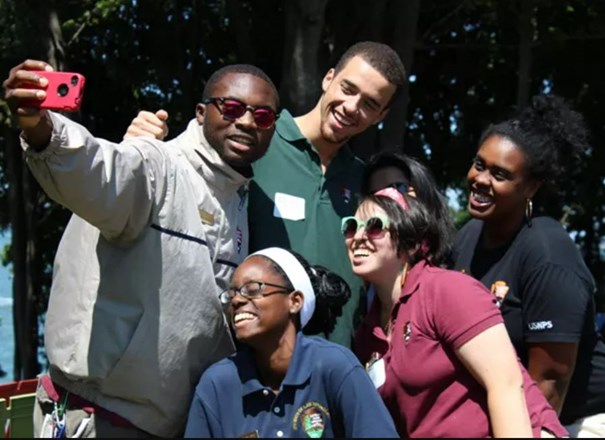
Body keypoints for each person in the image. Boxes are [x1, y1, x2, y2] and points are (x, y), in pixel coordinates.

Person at [3, 59, 280, 437]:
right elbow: (96, 169)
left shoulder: (238, 202)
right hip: (96, 418)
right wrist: (40, 126)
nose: (247, 122)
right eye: (231, 108)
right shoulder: (157, 166)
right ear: (201, 113)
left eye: (262, 116)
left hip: (169, 425)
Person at [126, 41, 407, 348]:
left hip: (332, 366)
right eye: (348, 88)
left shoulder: (364, 182)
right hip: (243, 358)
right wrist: (145, 145)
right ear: (329, 78)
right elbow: (187, 170)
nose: (352, 107)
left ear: (381, 115)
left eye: (369, 103)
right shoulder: (256, 141)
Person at [452, 94, 605, 437]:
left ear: (531, 187)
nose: (481, 179)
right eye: (479, 164)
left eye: (500, 174)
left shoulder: (548, 257)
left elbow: (549, 384)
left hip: (579, 420)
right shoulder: (468, 237)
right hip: (507, 406)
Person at [348, 188, 568, 437]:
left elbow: (505, 385)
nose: (358, 236)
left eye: (375, 226)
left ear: (409, 241)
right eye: (351, 227)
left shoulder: (447, 290)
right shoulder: (368, 334)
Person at [184, 247, 399, 438]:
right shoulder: (216, 384)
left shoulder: (335, 367)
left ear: (295, 301)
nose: (237, 301)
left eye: (252, 289)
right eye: (231, 295)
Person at [360, 150, 455, 310]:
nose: (385, 202)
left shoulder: (451, 285)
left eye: (398, 188)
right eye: (374, 195)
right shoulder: (371, 284)